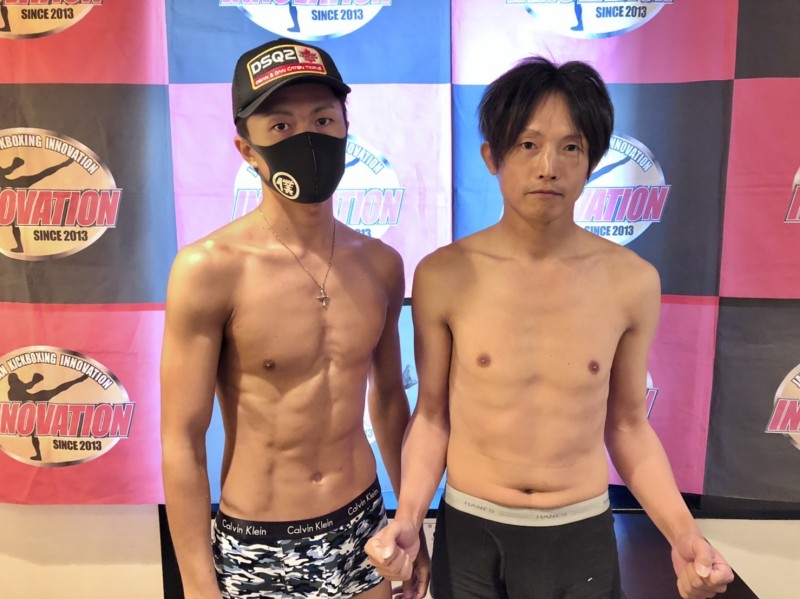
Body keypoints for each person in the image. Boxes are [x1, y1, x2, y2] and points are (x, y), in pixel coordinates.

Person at [366, 57, 734, 599]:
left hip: (579, 532)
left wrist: (684, 535)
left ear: (592, 162)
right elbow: (433, 417)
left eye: (571, 147)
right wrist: (409, 518)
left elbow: (628, 426)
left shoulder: (631, 281)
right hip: (471, 530)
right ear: (492, 156)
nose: (548, 167)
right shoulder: (443, 275)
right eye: (528, 144)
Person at [161, 37, 429, 599]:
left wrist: (411, 523)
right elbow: (182, 440)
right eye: (281, 126)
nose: (307, 137)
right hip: (259, 541)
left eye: (323, 120)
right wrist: (198, 587)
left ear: (346, 128)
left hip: (361, 526)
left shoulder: (380, 264)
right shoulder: (209, 269)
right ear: (247, 149)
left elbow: (387, 400)